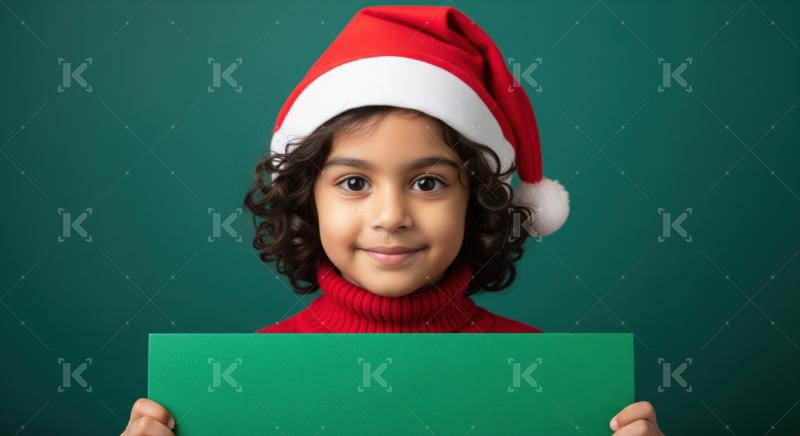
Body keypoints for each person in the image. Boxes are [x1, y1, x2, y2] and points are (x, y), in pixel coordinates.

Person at [121, 6, 663, 435]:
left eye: (427, 183)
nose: (390, 216)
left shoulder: (547, 384)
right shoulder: (234, 388)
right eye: (354, 183)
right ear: (308, 200)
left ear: (478, 199)